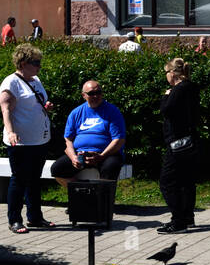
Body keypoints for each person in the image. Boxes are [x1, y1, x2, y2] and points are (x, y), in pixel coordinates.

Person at [1, 44, 56, 233]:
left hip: (39, 139)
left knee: (34, 180)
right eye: (36, 63)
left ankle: (35, 217)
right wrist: (10, 132)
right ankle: (14, 220)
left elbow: (35, 103)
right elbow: (6, 110)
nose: (39, 66)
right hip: (21, 141)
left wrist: (45, 107)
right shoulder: (11, 83)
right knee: (19, 180)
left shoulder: (35, 80)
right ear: (23, 63)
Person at [50, 80, 126, 188]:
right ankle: (82, 194)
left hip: (106, 153)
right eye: (91, 93)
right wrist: (73, 157)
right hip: (80, 154)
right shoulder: (76, 112)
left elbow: (119, 140)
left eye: (98, 92)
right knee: (57, 169)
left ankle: (103, 201)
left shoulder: (113, 111)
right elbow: (68, 140)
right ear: (83, 95)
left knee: (111, 167)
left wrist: (101, 156)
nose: (96, 96)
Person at [157, 57, 200, 234]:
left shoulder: (177, 90)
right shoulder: (192, 88)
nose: (166, 76)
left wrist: (165, 96)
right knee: (186, 180)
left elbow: (166, 110)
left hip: (177, 141)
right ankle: (188, 216)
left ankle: (178, 220)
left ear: (173, 73)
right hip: (191, 140)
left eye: (167, 72)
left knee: (167, 182)